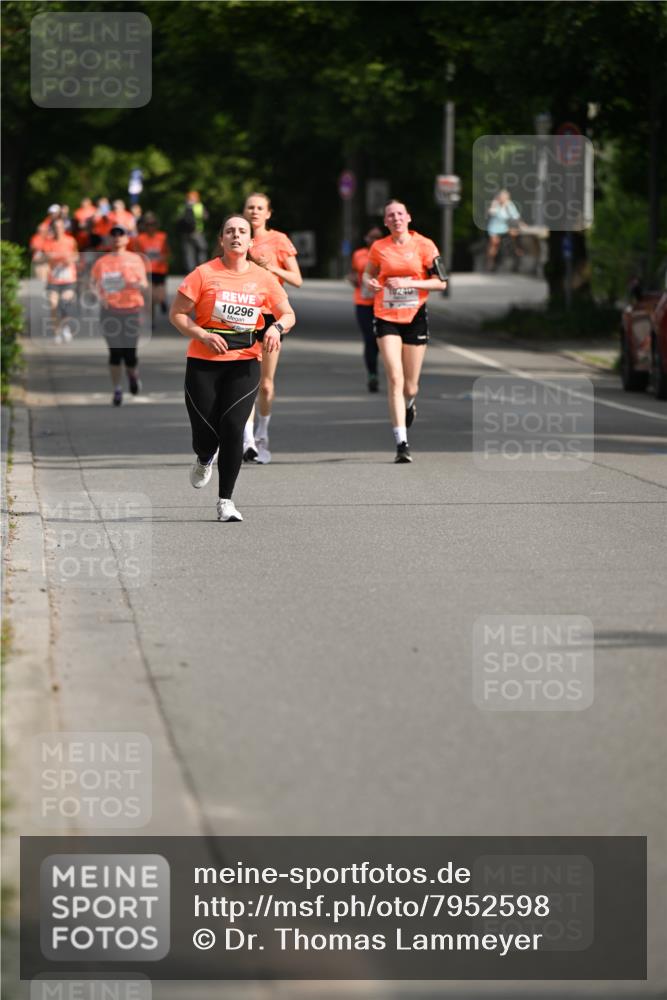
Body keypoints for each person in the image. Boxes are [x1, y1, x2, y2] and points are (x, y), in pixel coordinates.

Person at [169, 214, 295, 522]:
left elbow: (288, 313)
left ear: (251, 242)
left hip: (244, 363)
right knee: (206, 434)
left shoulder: (264, 278)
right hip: (203, 362)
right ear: (221, 240)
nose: (236, 235)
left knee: (233, 429)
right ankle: (203, 456)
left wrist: (276, 329)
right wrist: (203, 334)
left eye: (242, 232)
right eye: (230, 231)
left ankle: (226, 501)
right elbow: (178, 314)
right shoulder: (203, 274)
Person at [363, 199, 447, 463]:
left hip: (415, 316)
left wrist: (411, 282)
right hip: (385, 316)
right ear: (386, 222)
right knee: (395, 379)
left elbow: (441, 283)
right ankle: (402, 442)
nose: (396, 218)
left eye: (400, 213)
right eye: (391, 215)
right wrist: (372, 282)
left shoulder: (425, 245)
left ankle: (410, 404)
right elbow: (366, 275)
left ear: (408, 218)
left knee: (411, 385)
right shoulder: (379, 248)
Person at [241, 192, 302, 464]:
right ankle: (248, 442)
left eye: (259, 208)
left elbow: (297, 279)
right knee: (245, 382)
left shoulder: (279, 240)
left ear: (268, 213)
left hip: (270, 319)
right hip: (242, 314)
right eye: (250, 207)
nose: (254, 211)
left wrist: (272, 267)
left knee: (265, 385)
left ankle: (262, 433)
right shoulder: (236, 236)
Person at [90, 224, 148, 406]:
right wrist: (99, 296)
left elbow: (145, 284)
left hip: (131, 310)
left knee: (129, 354)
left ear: (126, 239)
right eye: (113, 234)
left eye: (120, 234)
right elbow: (92, 284)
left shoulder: (136, 260)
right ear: (110, 239)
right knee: (115, 352)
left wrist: (137, 285)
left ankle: (132, 374)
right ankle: (117, 389)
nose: (117, 238)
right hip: (110, 311)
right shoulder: (102, 262)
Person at [348, 225, 383, 392]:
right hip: (362, 301)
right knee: (370, 338)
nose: (374, 240)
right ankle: (372, 374)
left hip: (383, 303)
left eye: (378, 237)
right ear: (366, 239)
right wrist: (354, 279)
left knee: (381, 339)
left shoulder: (387, 252)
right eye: (371, 237)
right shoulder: (359, 254)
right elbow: (354, 272)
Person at [43, 217, 79, 343]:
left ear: (64, 228)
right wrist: (52, 258)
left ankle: (65, 327)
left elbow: (76, 255)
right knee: (53, 305)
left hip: (68, 278)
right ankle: (56, 332)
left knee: (64, 303)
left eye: (60, 227)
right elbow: (45, 257)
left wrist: (71, 260)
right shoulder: (48, 242)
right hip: (53, 279)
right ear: (52, 228)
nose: (58, 229)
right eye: (56, 227)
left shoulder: (70, 240)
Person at [131, 212, 169, 320]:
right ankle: (151, 321)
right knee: (150, 297)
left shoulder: (162, 236)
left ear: (156, 225)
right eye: (148, 225)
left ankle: (162, 301)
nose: (150, 227)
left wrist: (163, 258)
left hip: (160, 270)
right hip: (147, 270)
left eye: (152, 224)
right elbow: (137, 254)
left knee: (160, 296)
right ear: (145, 226)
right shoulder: (139, 238)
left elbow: (167, 252)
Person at [486, 189, 522, 271]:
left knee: (515, 236)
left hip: (506, 227)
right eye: (503, 196)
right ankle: (490, 262)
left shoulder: (510, 205)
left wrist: (520, 225)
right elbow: (491, 212)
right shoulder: (495, 203)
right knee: (494, 243)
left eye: (506, 197)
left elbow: (516, 216)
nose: (505, 198)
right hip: (495, 227)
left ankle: (517, 254)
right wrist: (494, 204)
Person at [177, 191, 209, 273]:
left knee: (188, 253)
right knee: (202, 250)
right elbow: (206, 217)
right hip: (197, 232)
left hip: (185, 234)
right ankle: (202, 269)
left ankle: (190, 271)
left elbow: (178, 219)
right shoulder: (199, 206)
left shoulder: (182, 207)